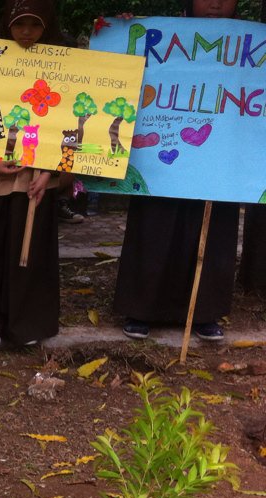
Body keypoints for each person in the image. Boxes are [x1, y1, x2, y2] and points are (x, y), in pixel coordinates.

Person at [114, 0, 240, 342]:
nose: (215, 3)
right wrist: (120, 31)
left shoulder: (250, 46)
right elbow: (117, 69)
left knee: (211, 231)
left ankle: (204, 313)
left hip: (220, 159)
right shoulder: (160, 33)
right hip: (162, 155)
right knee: (155, 226)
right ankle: (141, 310)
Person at [0, 0, 63, 349]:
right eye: (19, 24)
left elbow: (67, 119)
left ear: (46, 27)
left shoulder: (63, 65)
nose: (26, 33)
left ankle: (27, 322)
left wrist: (51, 168)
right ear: (7, 26)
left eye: (35, 25)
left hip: (38, 177)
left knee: (31, 250)